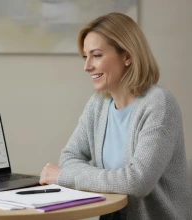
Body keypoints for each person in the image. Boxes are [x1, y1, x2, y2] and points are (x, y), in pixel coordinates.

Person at [39, 13, 192, 220]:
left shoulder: (159, 104)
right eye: (86, 56)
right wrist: (79, 174)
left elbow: (137, 182)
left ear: (127, 56)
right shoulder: (98, 104)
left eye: (97, 55)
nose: (87, 66)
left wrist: (64, 177)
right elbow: (69, 157)